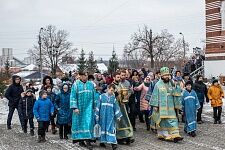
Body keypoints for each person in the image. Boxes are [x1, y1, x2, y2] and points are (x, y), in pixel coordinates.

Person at [150, 67, 183, 143]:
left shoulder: (171, 83)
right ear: (161, 76)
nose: (167, 76)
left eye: (168, 75)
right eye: (165, 75)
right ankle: (163, 134)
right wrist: (155, 105)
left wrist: (176, 85)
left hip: (171, 105)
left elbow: (177, 91)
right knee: (163, 120)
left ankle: (175, 135)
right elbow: (155, 95)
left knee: (173, 119)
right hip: (161, 106)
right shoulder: (157, 85)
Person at [70, 71, 96, 150]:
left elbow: (94, 95)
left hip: (88, 108)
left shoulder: (91, 84)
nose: (86, 77)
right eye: (84, 75)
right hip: (79, 108)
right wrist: (75, 107)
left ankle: (88, 141)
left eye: (87, 75)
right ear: (80, 76)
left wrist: (95, 106)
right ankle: (81, 140)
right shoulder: (76, 85)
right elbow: (73, 96)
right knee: (80, 124)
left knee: (88, 124)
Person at [95, 84, 122, 150]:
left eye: (113, 91)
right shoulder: (101, 96)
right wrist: (97, 115)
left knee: (111, 129)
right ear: (107, 89)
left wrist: (118, 115)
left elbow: (116, 107)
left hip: (110, 117)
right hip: (102, 116)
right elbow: (98, 106)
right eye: (111, 90)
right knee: (103, 128)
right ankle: (102, 142)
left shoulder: (113, 98)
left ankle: (113, 144)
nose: (112, 92)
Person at [114, 70, 134, 145]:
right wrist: (116, 94)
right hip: (115, 106)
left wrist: (125, 96)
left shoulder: (120, 85)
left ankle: (127, 136)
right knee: (117, 122)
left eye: (120, 77)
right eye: (118, 77)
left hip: (122, 105)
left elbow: (126, 93)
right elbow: (109, 95)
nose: (119, 78)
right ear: (114, 77)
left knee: (124, 120)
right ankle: (118, 137)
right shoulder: (112, 85)